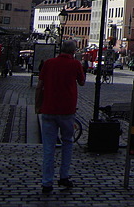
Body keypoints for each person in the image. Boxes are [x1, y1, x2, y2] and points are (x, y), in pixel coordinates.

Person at [35, 39, 85, 194]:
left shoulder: (49, 63)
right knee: (67, 143)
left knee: (48, 148)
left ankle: (46, 182)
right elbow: (82, 82)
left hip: (49, 109)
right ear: (73, 51)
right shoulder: (75, 64)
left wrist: (38, 106)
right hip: (67, 110)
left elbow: (39, 86)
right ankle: (63, 176)